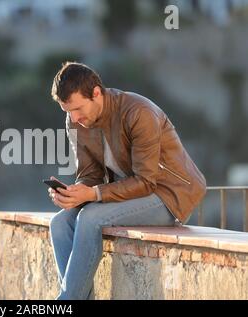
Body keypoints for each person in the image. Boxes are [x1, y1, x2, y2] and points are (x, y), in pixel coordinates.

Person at [48, 62, 206, 300]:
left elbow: (146, 181)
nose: (74, 118)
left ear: (97, 93)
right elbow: (90, 174)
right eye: (67, 111)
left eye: (78, 108)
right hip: (125, 194)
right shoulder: (77, 121)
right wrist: (74, 193)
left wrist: (92, 195)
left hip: (169, 196)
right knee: (59, 223)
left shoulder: (139, 112)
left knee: (90, 217)